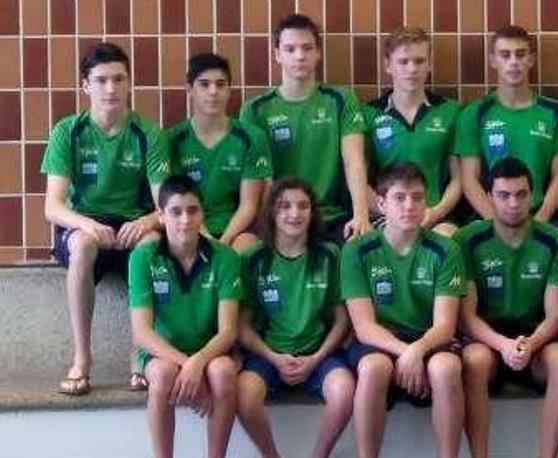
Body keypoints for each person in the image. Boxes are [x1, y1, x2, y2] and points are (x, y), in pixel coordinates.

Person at [339, 163, 472, 458]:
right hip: (380, 340)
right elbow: (364, 327)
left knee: (445, 368)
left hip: (428, 338)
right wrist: (405, 353)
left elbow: (445, 325)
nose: (409, 206)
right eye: (399, 198)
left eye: (416, 198)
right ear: (381, 204)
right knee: (373, 369)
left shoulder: (446, 250)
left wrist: (418, 350)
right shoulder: (357, 251)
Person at [42, 42, 169, 395]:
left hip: (131, 225)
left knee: (153, 242)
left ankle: (138, 355)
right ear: (86, 86)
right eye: (101, 80)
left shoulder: (149, 133)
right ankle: (82, 358)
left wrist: (147, 222)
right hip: (86, 225)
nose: (111, 88)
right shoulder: (68, 131)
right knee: (81, 245)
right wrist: (86, 224)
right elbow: (52, 207)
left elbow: (166, 207)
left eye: (118, 79)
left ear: (129, 83)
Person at [454, 157, 558, 458]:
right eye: (504, 195)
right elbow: (467, 317)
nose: (513, 203)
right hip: (488, 338)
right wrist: (504, 345)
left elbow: (556, 316)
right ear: (489, 196)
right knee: (474, 361)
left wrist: (529, 343)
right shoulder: (467, 240)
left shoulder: (555, 241)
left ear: (533, 196)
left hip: (537, 336)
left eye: (521, 194)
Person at [236, 179, 354, 458]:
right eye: (285, 206)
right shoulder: (253, 257)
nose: (294, 213)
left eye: (303, 206)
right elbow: (242, 328)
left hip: (318, 352)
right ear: (271, 211)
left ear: (313, 212)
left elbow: (342, 320)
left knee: (344, 391)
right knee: (244, 394)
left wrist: (315, 359)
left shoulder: (329, 255)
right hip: (268, 353)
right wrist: (274, 358)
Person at [130, 176, 242, 458]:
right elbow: (142, 332)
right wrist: (186, 364)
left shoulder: (225, 257)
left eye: (193, 211)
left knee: (223, 373)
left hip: (212, 349)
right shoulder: (144, 257)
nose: (185, 220)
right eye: (175, 212)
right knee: (162, 378)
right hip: (163, 351)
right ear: (161, 216)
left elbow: (228, 332)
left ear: (202, 214)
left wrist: (198, 364)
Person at [241, 13, 371, 242]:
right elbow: (259, 176)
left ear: (318, 53)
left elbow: (354, 161)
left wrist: (361, 214)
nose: (300, 56)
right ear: (277, 54)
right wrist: (277, 220)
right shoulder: (255, 110)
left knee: (361, 247)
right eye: (290, 49)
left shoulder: (341, 100)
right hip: (279, 217)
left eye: (307, 48)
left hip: (330, 216)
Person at [455, 25, 558, 222]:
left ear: (531, 59)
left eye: (520, 54)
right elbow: (469, 179)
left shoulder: (555, 112)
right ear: (493, 60)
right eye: (505, 55)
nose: (513, 62)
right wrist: (497, 224)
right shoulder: (474, 113)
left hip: (540, 216)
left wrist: (539, 222)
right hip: (489, 217)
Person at [166, 53, 270, 252]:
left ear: (229, 90)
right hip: (187, 226)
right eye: (204, 84)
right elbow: (176, 199)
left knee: (244, 249)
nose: (213, 91)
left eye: (220, 84)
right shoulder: (172, 140)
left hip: (237, 230)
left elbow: (249, 206)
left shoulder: (251, 137)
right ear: (190, 90)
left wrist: (222, 245)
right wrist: (205, 239)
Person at [364, 27, 463, 231]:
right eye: (403, 62)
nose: (412, 69)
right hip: (386, 215)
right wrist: (393, 213)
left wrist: (436, 212)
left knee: (445, 241)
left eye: (419, 61)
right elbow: (358, 179)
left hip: (436, 214)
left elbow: (459, 178)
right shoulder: (368, 114)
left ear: (429, 65)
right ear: (388, 65)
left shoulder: (451, 111)